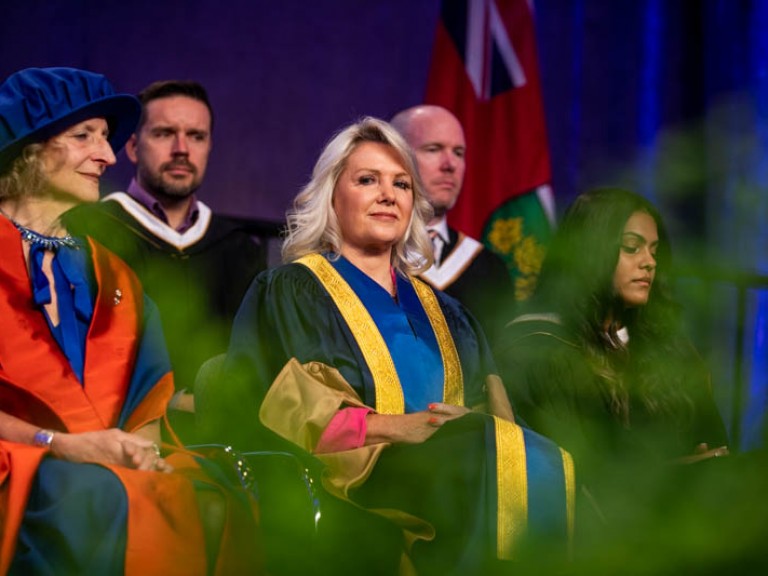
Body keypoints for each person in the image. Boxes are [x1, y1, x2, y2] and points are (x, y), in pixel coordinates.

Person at [202, 117, 575, 575]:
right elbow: (292, 410)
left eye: (401, 183)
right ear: (332, 197)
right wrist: (402, 428)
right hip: (354, 480)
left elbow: (495, 418)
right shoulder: (293, 290)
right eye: (367, 180)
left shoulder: (448, 312)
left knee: (549, 460)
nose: (388, 194)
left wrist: (464, 427)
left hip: (455, 465)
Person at [0, 67, 261, 575]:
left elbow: (146, 405)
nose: (105, 155)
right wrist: (62, 446)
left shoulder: (110, 272)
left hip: (94, 462)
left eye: (105, 137)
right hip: (19, 460)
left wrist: (139, 453)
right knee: (93, 499)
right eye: (84, 137)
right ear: (28, 151)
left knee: (210, 492)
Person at [493, 188, 729, 565]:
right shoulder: (541, 346)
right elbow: (577, 471)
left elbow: (712, 437)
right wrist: (677, 476)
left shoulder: (667, 345)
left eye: (654, 250)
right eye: (631, 247)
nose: (649, 263)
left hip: (685, 531)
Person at [65, 80, 265, 441]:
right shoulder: (88, 231)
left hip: (224, 434)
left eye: (196, 136)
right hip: (120, 429)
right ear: (132, 147)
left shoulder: (239, 246)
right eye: (164, 133)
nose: (181, 149)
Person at [391, 105, 512, 343]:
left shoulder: (490, 268)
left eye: (459, 152)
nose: (450, 164)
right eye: (433, 149)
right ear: (395, 158)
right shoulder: (367, 256)